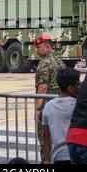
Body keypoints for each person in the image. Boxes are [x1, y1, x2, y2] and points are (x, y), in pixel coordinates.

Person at [33, 34, 66, 163]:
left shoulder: (44, 63)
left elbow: (42, 87)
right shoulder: (59, 61)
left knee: (44, 137)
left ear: (48, 47)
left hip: (48, 105)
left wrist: (38, 107)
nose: (37, 50)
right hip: (60, 102)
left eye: (39, 47)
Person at [42, 68, 80, 164]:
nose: (80, 87)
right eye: (78, 84)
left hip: (57, 156)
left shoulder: (48, 106)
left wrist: (47, 160)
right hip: (74, 155)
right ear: (70, 88)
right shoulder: (77, 105)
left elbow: (46, 137)